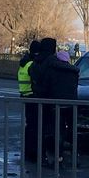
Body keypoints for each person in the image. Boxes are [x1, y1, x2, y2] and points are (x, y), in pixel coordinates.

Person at [30, 37, 79, 166]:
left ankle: (45, 156)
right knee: (63, 129)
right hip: (69, 104)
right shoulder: (72, 71)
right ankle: (64, 156)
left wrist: (36, 89)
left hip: (48, 102)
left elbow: (45, 86)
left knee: (45, 129)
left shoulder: (43, 64)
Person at [18, 40, 41, 161]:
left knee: (30, 126)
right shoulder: (32, 64)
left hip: (25, 95)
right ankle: (33, 152)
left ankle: (28, 151)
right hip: (32, 96)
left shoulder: (24, 62)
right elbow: (37, 80)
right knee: (34, 126)